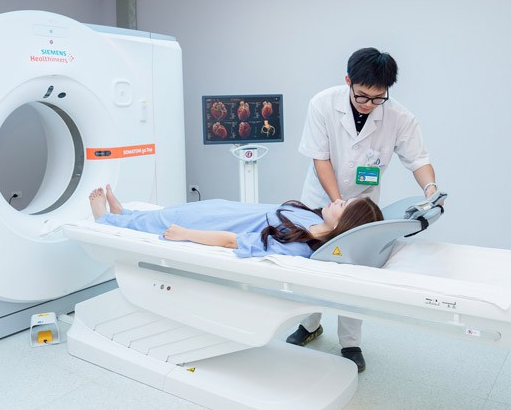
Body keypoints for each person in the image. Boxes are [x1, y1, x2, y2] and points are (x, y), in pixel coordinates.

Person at [291, 47, 438, 372]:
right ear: (348, 81)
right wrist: (337, 203)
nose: (369, 104)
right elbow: (320, 158)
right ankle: (310, 324)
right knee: (313, 263)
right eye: (362, 96)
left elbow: (419, 159)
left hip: (362, 207)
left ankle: (350, 342)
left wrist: (431, 190)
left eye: (377, 98)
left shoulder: (399, 117)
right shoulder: (322, 104)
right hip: (321, 199)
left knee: (356, 270)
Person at [89, 184, 383, 258]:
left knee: (165, 221)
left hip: (215, 225)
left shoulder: (297, 246)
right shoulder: (312, 218)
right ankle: (124, 213)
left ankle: (105, 219)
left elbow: (234, 241)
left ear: (345, 224)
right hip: (223, 210)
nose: (338, 200)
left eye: (345, 205)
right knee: (164, 213)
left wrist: (185, 234)